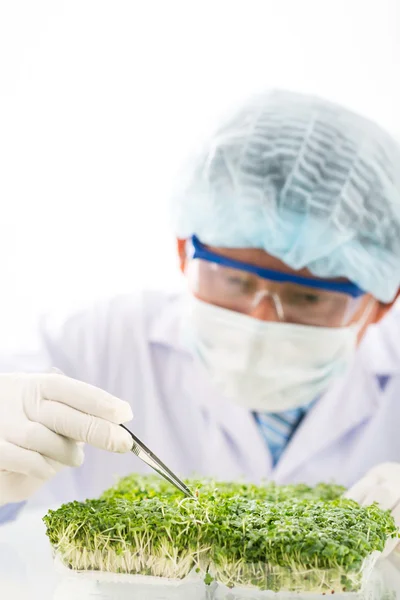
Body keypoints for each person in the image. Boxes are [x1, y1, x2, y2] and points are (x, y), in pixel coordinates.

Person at [1, 90, 400, 554]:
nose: (261, 320)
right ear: (182, 252)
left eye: (307, 296)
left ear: (380, 303)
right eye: (234, 280)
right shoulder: (93, 343)